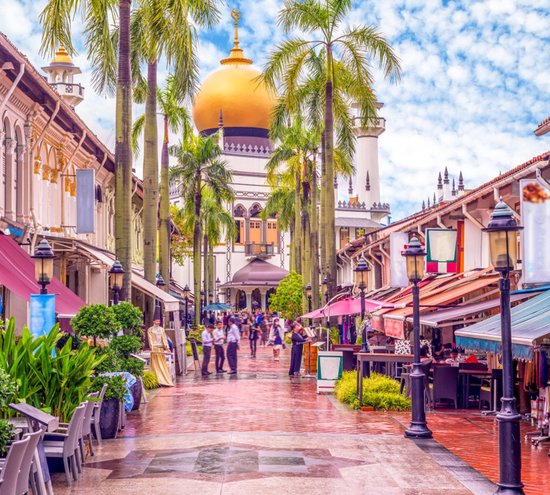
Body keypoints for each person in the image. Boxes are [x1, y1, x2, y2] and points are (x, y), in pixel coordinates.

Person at [147, 316, 174, 387]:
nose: (158, 322)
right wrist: (152, 347)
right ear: (153, 321)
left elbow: (164, 339)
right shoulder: (150, 330)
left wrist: (167, 348)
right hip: (155, 349)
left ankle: (164, 380)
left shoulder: (162, 330)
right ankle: (157, 380)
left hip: (161, 349)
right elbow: (150, 340)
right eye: (156, 321)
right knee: (155, 365)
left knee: (162, 365)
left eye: (159, 321)